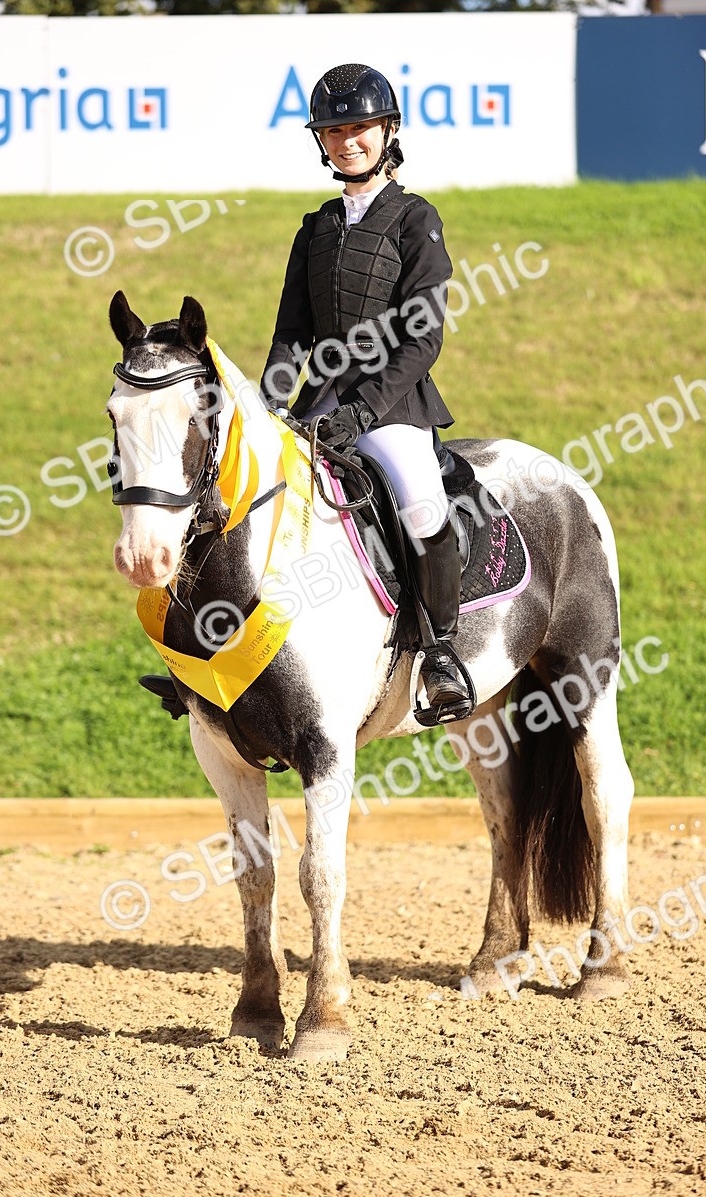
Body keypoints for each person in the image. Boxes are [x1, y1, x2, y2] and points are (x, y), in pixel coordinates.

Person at [260, 63, 470, 713]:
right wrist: (268, 404)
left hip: (393, 407)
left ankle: (440, 653)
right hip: (318, 409)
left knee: (421, 505)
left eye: (359, 127)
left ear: (387, 132)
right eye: (333, 129)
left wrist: (361, 411)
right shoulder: (314, 228)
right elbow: (292, 333)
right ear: (319, 141)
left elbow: (422, 339)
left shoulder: (416, 219)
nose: (346, 140)